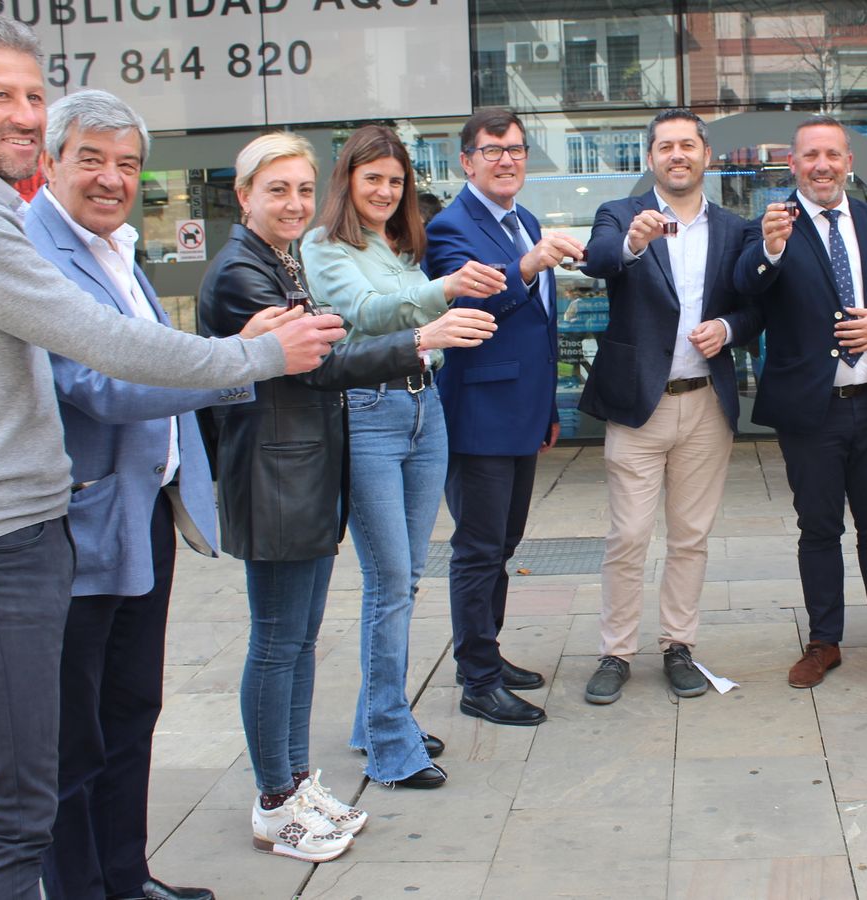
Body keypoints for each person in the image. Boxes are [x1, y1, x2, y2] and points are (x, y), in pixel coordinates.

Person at [0, 14, 341, 897]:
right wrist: (254, 358)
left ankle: (118, 878)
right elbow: (101, 356)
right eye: (3, 97)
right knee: (21, 798)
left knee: (57, 756)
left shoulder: (9, 216)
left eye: (34, 94)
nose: (26, 114)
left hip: (52, 526)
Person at [200, 132, 473, 862]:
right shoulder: (241, 274)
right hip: (277, 472)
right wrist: (421, 337)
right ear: (244, 194)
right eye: (276, 190)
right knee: (278, 643)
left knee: (296, 642)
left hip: (307, 466)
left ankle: (293, 785)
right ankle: (276, 803)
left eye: (299, 188)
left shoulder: (279, 260)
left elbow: (321, 351)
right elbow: (321, 363)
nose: (292, 203)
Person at [25, 89, 255, 900]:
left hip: (142, 515)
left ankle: (126, 876)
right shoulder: (39, 252)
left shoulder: (116, 247)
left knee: (131, 712)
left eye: (127, 164)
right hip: (77, 528)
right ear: (50, 163)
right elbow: (104, 383)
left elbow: (152, 355)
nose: (112, 179)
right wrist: (237, 360)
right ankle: (81, 887)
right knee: (72, 736)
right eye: (91, 159)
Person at [303, 125, 501, 790]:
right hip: (367, 414)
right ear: (347, 181)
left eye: (395, 181)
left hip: (424, 409)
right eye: (373, 179)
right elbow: (362, 311)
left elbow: (405, 306)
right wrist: (443, 293)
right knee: (390, 585)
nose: (385, 191)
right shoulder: (325, 246)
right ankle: (391, 743)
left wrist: (439, 292)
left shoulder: (396, 244)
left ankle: (372, 718)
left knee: (408, 577)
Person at [733, 115, 867, 689]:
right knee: (818, 529)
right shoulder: (772, 225)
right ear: (792, 165)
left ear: (848, 163)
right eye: (810, 156)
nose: (822, 165)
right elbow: (746, 287)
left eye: (832, 155)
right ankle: (824, 641)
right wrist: (769, 249)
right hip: (810, 409)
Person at [577, 109, 764, 705]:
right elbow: (599, 259)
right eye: (665, 146)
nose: (676, 154)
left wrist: (730, 329)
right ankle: (616, 651)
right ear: (651, 158)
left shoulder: (736, 228)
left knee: (690, 537)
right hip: (640, 405)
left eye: (687, 145)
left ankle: (678, 646)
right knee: (628, 536)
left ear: (706, 155)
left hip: (706, 405)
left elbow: (757, 304)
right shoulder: (620, 215)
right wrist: (635, 242)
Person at [424, 108, 583, 726]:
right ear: (467, 161)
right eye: (493, 150)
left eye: (516, 149)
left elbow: (537, 328)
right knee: (478, 548)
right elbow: (473, 293)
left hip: (521, 413)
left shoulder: (525, 220)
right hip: (479, 414)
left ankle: (485, 652)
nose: (507, 159)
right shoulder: (450, 226)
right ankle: (477, 680)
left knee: (504, 543)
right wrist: (531, 264)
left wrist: (547, 410)